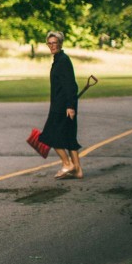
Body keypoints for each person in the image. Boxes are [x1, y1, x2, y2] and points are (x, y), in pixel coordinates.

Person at [41, 31, 83, 179]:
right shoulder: (59, 60)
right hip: (64, 105)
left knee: (49, 136)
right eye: (49, 43)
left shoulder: (63, 61)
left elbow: (71, 85)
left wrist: (70, 106)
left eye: (55, 43)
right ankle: (78, 170)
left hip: (62, 107)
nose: (52, 45)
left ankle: (67, 164)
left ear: (60, 43)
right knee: (70, 136)